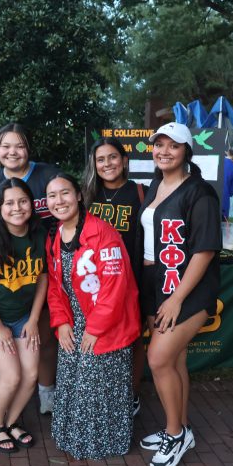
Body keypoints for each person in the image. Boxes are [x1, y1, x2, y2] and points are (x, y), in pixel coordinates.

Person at [137, 122, 221, 466]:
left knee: (158, 358)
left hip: (188, 289)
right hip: (157, 283)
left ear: (187, 150)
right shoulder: (157, 183)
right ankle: (181, 427)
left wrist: (174, 299)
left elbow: (203, 252)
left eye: (173, 146)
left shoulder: (199, 193)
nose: (164, 152)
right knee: (176, 360)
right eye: (159, 145)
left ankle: (175, 434)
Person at [45, 172, 140, 460]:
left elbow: (115, 287)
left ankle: (102, 444)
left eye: (65, 193)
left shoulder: (103, 233)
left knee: (98, 386)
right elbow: (54, 283)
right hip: (73, 321)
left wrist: (95, 328)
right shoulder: (57, 234)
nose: (59, 201)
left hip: (105, 323)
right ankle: (73, 437)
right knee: (73, 380)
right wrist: (61, 321)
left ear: (78, 196)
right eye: (52, 195)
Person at [0, 123, 59, 414]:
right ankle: (4, 414)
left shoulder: (49, 175)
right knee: (24, 344)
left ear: (29, 148)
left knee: (46, 334)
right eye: (6, 146)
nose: (13, 152)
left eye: (19, 145)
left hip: (49, 265)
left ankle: (47, 391)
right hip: (8, 274)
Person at [0, 178, 47, 454]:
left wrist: (34, 319)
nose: (17, 208)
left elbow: (43, 278)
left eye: (23, 201)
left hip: (25, 316)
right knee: (12, 376)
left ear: (32, 204)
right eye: (10, 203)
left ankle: (12, 421)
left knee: (31, 375)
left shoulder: (39, 233)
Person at [84, 137, 146, 416]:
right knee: (97, 338)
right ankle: (100, 395)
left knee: (132, 339)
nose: (107, 164)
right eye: (101, 159)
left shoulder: (143, 193)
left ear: (124, 161)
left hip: (130, 279)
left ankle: (130, 396)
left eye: (112, 157)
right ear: (94, 165)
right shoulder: (86, 195)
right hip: (92, 282)